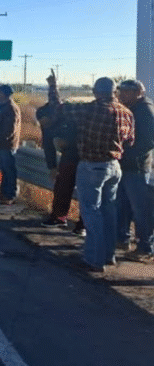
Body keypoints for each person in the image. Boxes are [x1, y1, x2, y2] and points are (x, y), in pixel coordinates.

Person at [57, 76, 134, 272]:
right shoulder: (126, 112)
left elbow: (59, 108)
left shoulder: (89, 109)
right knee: (109, 212)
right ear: (115, 92)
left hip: (92, 166)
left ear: (95, 92)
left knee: (91, 212)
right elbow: (130, 141)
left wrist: (52, 87)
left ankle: (94, 259)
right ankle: (109, 256)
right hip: (114, 166)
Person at [38, 74, 85, 235]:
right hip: (68, 158)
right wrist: (52, 167)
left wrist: (68, 142)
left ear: (52, 116)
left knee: (85, 192)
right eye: (41, 123)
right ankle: (58, 217)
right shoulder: (47, 128)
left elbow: (56, 102)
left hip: (85, 157)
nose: (44, 124)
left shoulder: (68, 116)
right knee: (61, 188)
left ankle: (82, 224)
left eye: (45, 121)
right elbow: (48, 147)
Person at [116, 79, 154, 263]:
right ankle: (123, 240)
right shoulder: (132, 108)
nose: (121, 94)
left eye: (126, 91)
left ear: (138, 93)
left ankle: (145, 247)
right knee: (123, 206)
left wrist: (127, 154)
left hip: (137, 168)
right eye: (121, 91)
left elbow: (149, 141)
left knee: (141, 210)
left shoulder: (145, 110)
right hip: (126, 166)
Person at [0, 84, 21, 205]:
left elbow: (9, 129)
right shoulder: (3, 106)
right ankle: (3, 192)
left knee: (9, 170)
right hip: (1, 144)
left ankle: (10, 195)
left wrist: (0, 139)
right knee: (4, 170)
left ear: (4, 94)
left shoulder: (11, 108)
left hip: (7, 144)